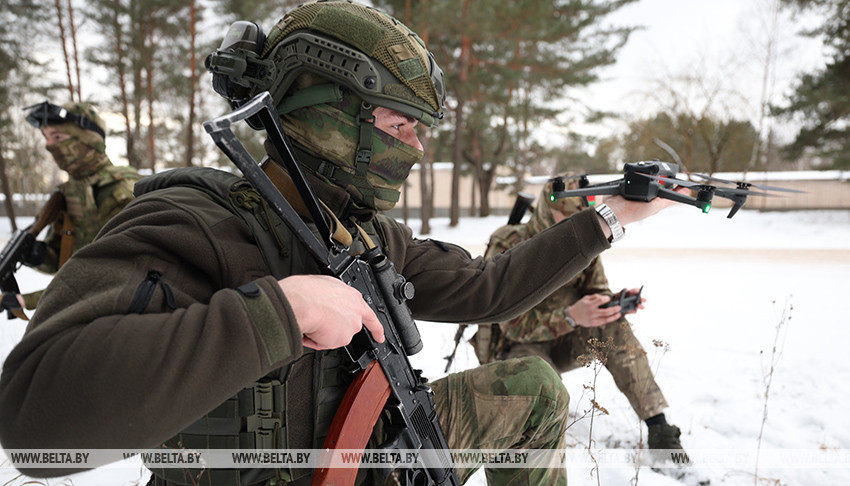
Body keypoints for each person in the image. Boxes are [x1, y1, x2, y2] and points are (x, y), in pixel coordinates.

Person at [0, 2, 687, 485]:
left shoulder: (365, 233)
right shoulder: (193, 224)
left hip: (370, 462)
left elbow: (489, 290)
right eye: (402, 124)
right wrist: (280, 313)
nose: (416, 147)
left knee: (534, 386)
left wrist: (612, 215)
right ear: (326, 111)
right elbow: (36, 426)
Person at [471, 177, 688, 456]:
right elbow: (509, 324)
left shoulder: (581, 239)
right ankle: (541, 445)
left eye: (581, 219)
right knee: (538, 376)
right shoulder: (510, 242)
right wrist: (570, 317)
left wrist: (611, 304)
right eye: (567, 218)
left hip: (563, 340)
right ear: (547, 211)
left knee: (613, 324)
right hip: (518, 347)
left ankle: (659, 427)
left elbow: (594, 289)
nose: (575, 227)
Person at [0, 101, 141, 317]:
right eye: (46, 138)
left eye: (57, 137)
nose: (49, 146)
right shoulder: (70, 191)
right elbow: (66, 261)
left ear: (87, 139)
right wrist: (40, 256)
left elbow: (116, 272)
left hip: (122, 311)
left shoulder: (122, 189)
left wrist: (26, 300)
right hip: (82, 309)